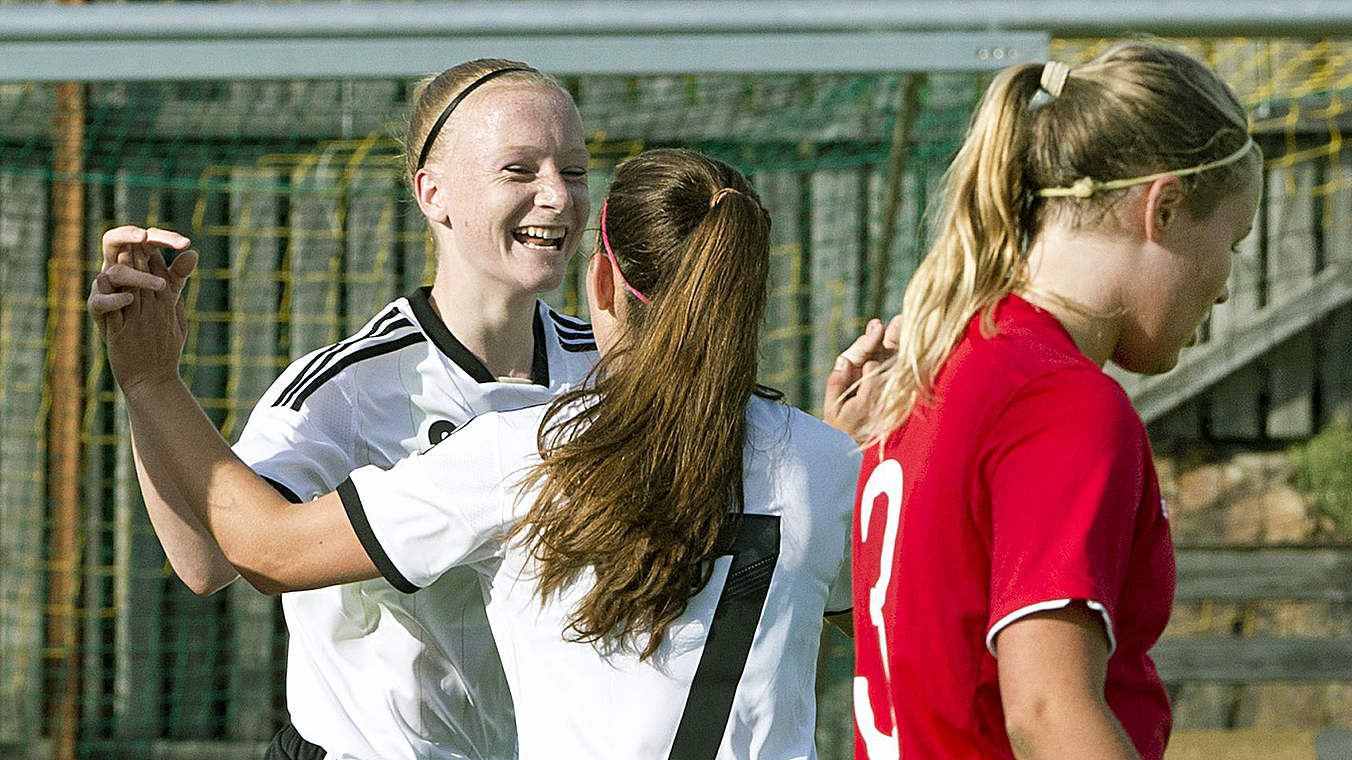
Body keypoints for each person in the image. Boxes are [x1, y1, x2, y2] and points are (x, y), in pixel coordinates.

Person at [94, 147, 858, 759]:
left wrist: (153, 380)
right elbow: (889, 627)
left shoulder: (522, 455)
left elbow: (261, 549)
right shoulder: (827, 465)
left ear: (599, 277)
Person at [88, 59, 597, 760]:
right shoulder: (349, 386)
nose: (557, 196)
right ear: (433, 193)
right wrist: (149, 382)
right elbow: (206, 559)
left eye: (573, 170)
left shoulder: (610, 371)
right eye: (520, 170)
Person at [851, 42, 1261, 760]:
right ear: (1162, 209)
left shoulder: (934, 371)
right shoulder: (1061, 404)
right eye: (1234, 240)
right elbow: (1047, 713)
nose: (1227, 283)